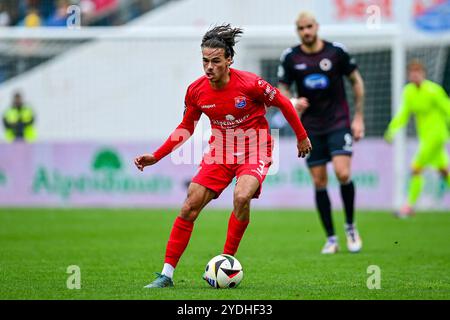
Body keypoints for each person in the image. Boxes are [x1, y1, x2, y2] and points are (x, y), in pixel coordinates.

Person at [134, 24, 312, 288]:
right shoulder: (196, 91)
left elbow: (284, 104)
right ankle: (166, 275)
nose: (209, 67)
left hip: (255, 148)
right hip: (221, 152)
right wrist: (157, 156)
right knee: (189, 206)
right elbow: (186, 127)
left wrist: (301, 136)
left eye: (215, 61)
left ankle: (227, 260)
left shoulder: (251, 84)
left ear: (229, 60)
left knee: (241, 196)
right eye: (205, 61)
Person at [278, 12, 365, 254]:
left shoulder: (336, 52)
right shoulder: (290, 57)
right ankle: (331, 238)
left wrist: (358, 117)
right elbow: (281, 90)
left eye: (309, 27)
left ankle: (350, 226)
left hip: (338, 121)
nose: (306, 31)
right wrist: (293, 101)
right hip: (310, 128)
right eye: (301, 28)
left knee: (343, 172)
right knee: (319, 180)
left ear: (316, 27)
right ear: (297, 30)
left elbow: (356, 81)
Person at [384, 59, 450, 218]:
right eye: (412, 73)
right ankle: (409, 206)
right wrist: (391, 129)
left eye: (418, 72)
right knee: (444, 171)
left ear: (423, 74)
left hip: (436, 135)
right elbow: (403, 114)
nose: (415, 75)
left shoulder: (434, 90)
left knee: (416, 168)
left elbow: (447, 108)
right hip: (425, 137)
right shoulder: (409, 91)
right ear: (408, 75)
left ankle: (409, 207)